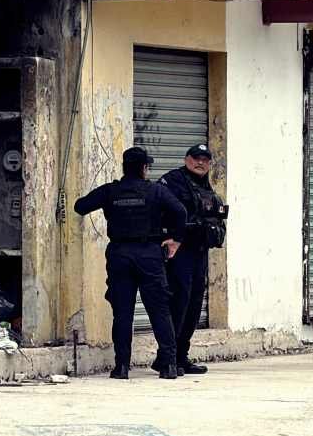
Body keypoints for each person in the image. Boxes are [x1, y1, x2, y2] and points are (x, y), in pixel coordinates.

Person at [74, 147, 186, 380]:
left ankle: (121, 367)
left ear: (125, 167)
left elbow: (80, 206)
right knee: (159, 311)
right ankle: (169, 366)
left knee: (122, 313)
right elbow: (180, 212)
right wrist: (174, 240)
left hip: (120, 254)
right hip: (150, 255)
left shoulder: (110, 191)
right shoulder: (156, 191)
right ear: (144, 168)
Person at [157, 143, 228, 376]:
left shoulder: (204, 184)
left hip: (199, 251)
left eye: (205, 160)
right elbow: (159, 211)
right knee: (179, 303)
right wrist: (172, 237)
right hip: (179, 253)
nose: (201, 163)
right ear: (187, 159)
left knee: (194, 305)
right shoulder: (172, 181)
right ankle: (167, 357)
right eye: (196, 158)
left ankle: (181, 356)